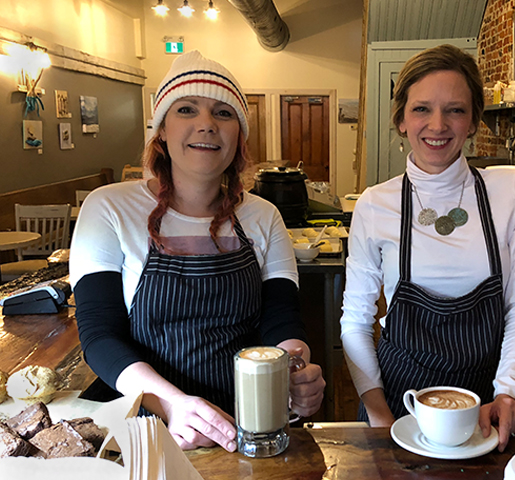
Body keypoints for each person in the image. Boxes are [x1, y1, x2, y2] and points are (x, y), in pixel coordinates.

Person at [69, 50, 325, 452]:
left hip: (244, 420)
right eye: (187, 109)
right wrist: (173, 405)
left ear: (238, 137)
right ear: (162, 131)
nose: (206, 124)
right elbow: (100, 336)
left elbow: (281, 318)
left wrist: (292, 366)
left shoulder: (263, 216)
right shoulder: (109, 208)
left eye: (223, 113)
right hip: (142, 422)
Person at [340, 44, 515, 451]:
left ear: (472, 121)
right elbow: (356, 322)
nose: (438, 124)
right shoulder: (375, 205)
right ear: (400, 120)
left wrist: (510, 393)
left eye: (455, 109)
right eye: (421, 109)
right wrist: (378, 411)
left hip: (484, 408)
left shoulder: (512, 193)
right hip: (397, 402)